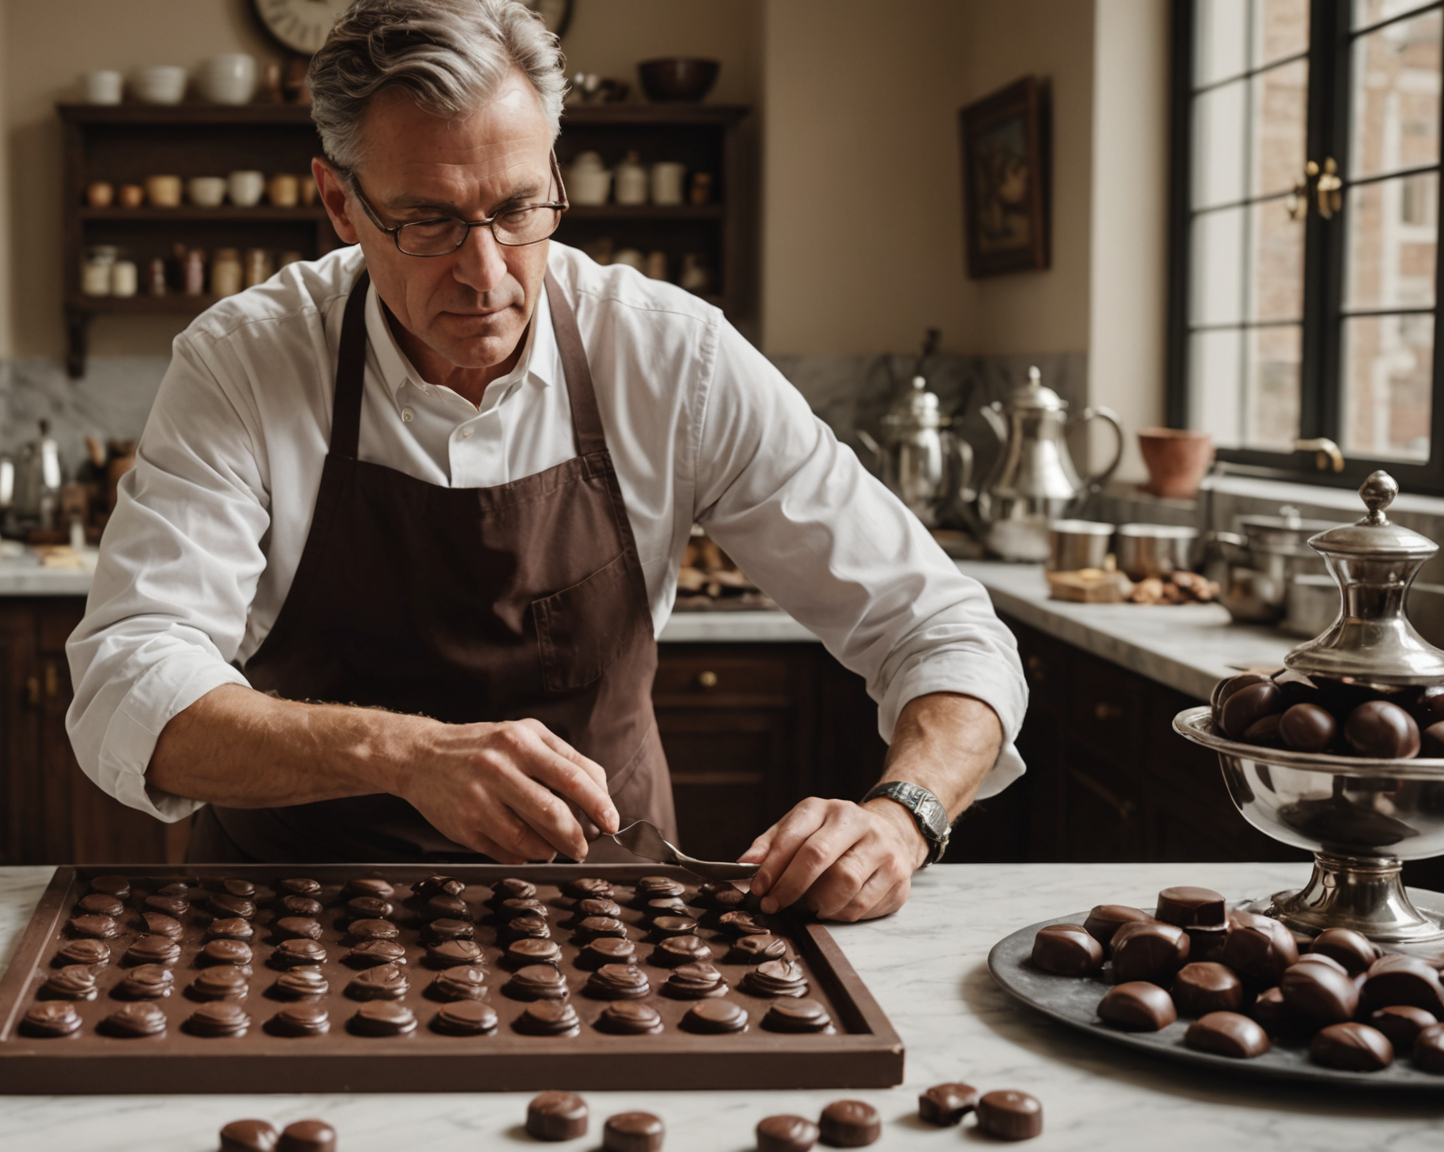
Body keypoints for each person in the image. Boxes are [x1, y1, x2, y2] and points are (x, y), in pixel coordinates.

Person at [66, 0, 1026, 921]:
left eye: (519, 208)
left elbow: (939, 628)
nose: (485, 273)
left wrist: (906, 818)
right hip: (290, 910)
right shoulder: (246, 360)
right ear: (340, 203)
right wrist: (400, 753)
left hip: (601, 908)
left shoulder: (670, 357)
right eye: (430, 221)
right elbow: (128, 681)